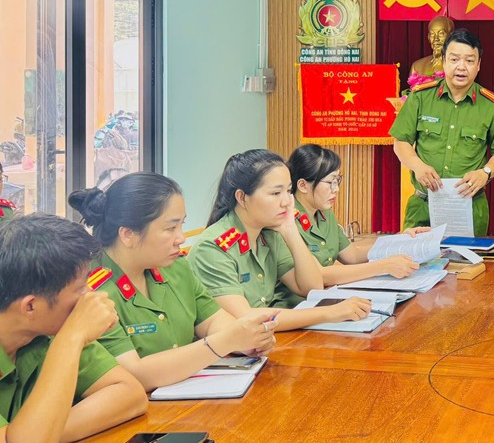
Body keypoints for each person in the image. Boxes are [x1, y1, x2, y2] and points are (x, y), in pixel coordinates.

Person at [69, 173, 279, 391]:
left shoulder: (176, 268)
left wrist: (246, 340)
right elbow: (133, 374)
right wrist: (225, 342)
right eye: (170, 228)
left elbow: (213, 322)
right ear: (128, 234)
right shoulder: (91, 292)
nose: (181, 238)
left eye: (181, 225)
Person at [188, 149, 372, 330]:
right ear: (242, 198)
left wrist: (290, 230)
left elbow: (311, 287)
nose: (286, 202)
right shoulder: (212, 248)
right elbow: (245, 319)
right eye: (276, 193)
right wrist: (329, 313)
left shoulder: (269, 233)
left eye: (288, 191)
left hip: (267, 338)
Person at [0, 215, 147, 441]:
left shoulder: (50, 331)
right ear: (30, 306)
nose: (91, 295)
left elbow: (131, 394)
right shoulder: (69, 333)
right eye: (80, 288)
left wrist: (43, 430)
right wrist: (72, 337)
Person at [390, 28, 494, 236]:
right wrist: (417, 166)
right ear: (444, 62)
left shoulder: (492, 106)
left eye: (469, 61)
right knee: (415, 257)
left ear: (478, 65)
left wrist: (485, 172)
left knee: (468, 258)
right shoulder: (420, 97)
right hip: (423, 205)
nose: (461, 67)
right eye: (454, 59)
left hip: (468, 206)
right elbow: (400, 141)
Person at [275, 144, 424, 306]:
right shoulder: (287, 221)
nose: (337, 189)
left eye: (337, 181)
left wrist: (400, 240)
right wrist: (384, 266)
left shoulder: (325, 214)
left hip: (327, 297)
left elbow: (352, 256)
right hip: (297, 306)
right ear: (303, 185)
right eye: (330, 182)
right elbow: (321, 275)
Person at [408, 15, 455, 90]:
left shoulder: (459, 65)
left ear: (451, 36)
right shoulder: (417, 66)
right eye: (432, 34)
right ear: (428, 37)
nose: (436, 39)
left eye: (441, 33)